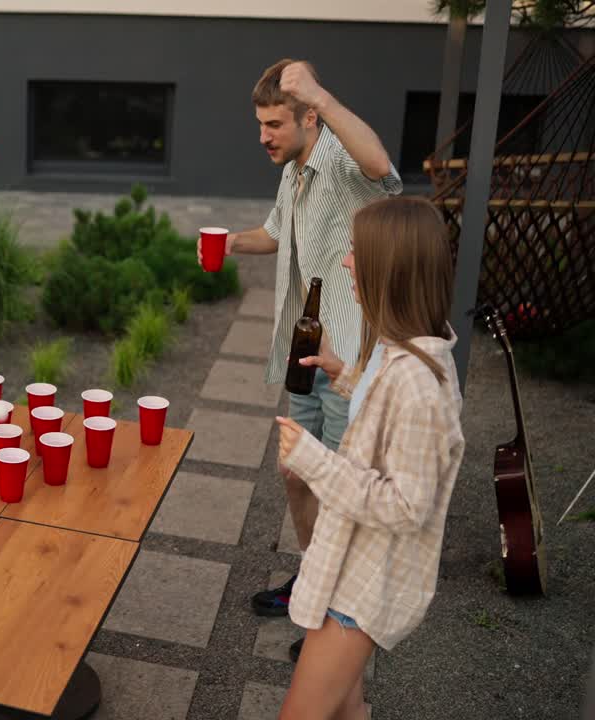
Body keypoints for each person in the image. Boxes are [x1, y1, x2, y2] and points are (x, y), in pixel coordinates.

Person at [199, 58, 402, 659]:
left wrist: (320, 94)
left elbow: (382, 166)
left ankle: (336, 614)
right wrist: (230, 242)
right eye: (260, 124)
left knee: (340, 483)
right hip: (304, 348)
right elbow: (275, 233)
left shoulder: (339, 158)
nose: (263, 136)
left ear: (308, 118)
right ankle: (313, 578)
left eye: (274, 125)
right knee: (296, 472)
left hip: (344, 358)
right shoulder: (293, 171)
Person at [273, 196, 465, 719]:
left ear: (390, 270)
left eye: (357, 252)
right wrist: (343, 375)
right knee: (346, 711)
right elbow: (390, 421)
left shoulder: (419, 383)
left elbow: (408, 505)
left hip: (363, 586)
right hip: (351, 565)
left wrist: (313, 459)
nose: (346, 261)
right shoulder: (400, 351)